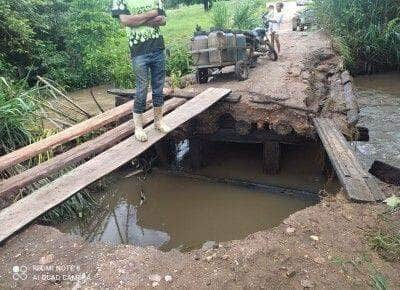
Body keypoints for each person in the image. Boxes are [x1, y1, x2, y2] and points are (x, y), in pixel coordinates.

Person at [111, 0, 170, 142]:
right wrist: (150, 15)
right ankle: (138, 128)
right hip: (138, 52)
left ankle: (158, 122)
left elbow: (162, 20)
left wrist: (137, 19)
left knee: (158, 88)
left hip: (158, 48)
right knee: (141, 89)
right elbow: (125, 20)